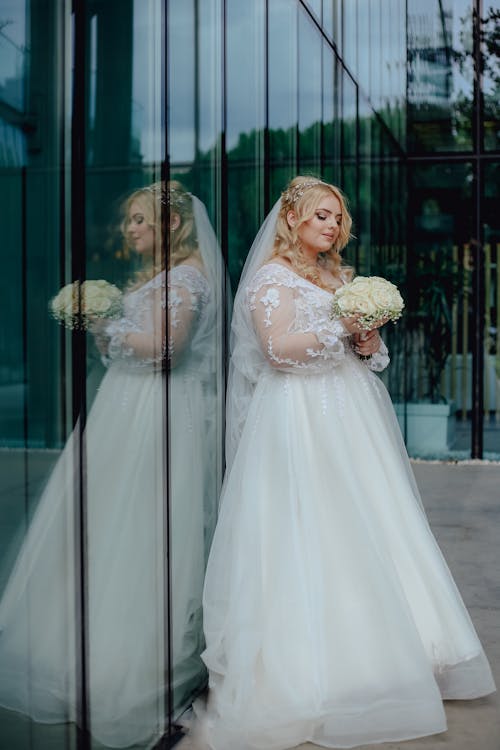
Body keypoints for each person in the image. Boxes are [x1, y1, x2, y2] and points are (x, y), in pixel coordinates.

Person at [197, 176, 496, 750]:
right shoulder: (271, 278)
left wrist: (366, 339)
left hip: (353, 414)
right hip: (298, 416)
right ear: (292, 221)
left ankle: (395, 654)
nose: (332, 226)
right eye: (320, 216)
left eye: (337, 218)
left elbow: (372, 357)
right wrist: (342, 324)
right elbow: (279, 350)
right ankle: (319, 666)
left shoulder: (339, 276)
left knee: (375, 520)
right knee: (313, 526)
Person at [0, 182, 224, 747]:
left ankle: (140, 663)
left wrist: (103, 325)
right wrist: (109, 330)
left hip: (159, 415)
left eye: (139, 220)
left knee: (145, 526)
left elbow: (168, 350)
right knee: (105, 523)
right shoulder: (164, 276)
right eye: (128, 220)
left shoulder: (189, 277)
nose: (129, 229)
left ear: (172, 225)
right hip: (126, 408)